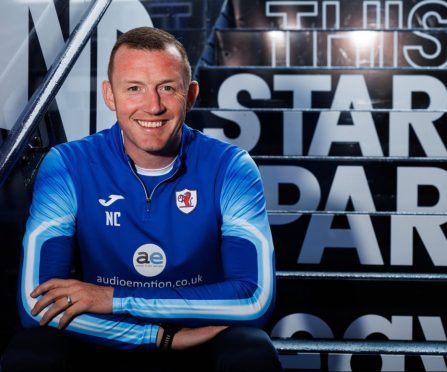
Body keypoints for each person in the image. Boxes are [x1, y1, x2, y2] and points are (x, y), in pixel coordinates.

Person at [1, 26, 281, 371]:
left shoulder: (230, 167)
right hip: (103, 338)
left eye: (167, 88)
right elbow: (37, 306)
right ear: (110, 95)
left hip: (198, 337)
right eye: (134, 88)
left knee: (251, 352)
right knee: (31, 353)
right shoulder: (68, 165)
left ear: (190, 95)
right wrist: (155, 337)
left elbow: (255, 298)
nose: (153, 106)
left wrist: (115, 299)